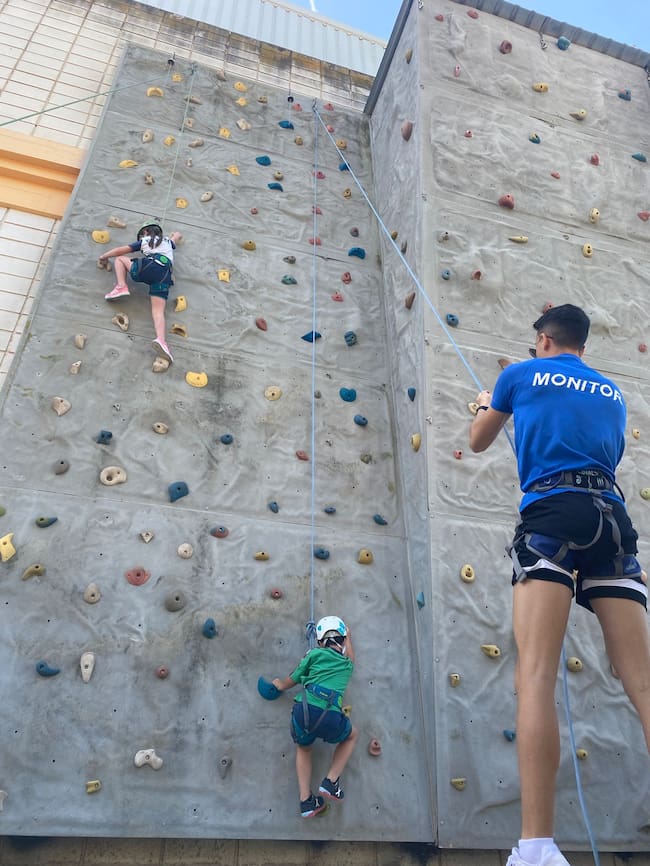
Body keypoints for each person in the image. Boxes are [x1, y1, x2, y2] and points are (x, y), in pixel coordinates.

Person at [469, 304, 650, 866]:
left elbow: (478, 441)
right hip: (613, 522)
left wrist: (482, 406)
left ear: (543, 340)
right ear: (582, 347)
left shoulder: (518, 375)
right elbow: (607, 456)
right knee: (643, 683)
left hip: (553, 517)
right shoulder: (613, 395)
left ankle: (538, 848)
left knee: (537, 676)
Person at [272, 615, 358, 818]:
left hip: (304, 713)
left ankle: (305, 801)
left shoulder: (312, 655)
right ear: (343, 641)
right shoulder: (347, 665)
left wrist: (279, 685)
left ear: (320, 641)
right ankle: (331, 780)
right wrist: (349, 639)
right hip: (329, 716)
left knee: (304, 748)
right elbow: (351, 657)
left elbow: (293, 678)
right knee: (352, 735)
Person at [98, 221, 182, 364]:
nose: (141, 237)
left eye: (141, 234)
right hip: (164, 276)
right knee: (158, 311)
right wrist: (175, 235)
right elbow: (177, 236)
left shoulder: (145, 239)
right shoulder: (168, 242)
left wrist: (104, 257)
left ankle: (122, 286)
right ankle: (161, 340)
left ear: (147, 232)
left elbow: (121, 250)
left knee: (120, 259)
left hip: (148, 267)